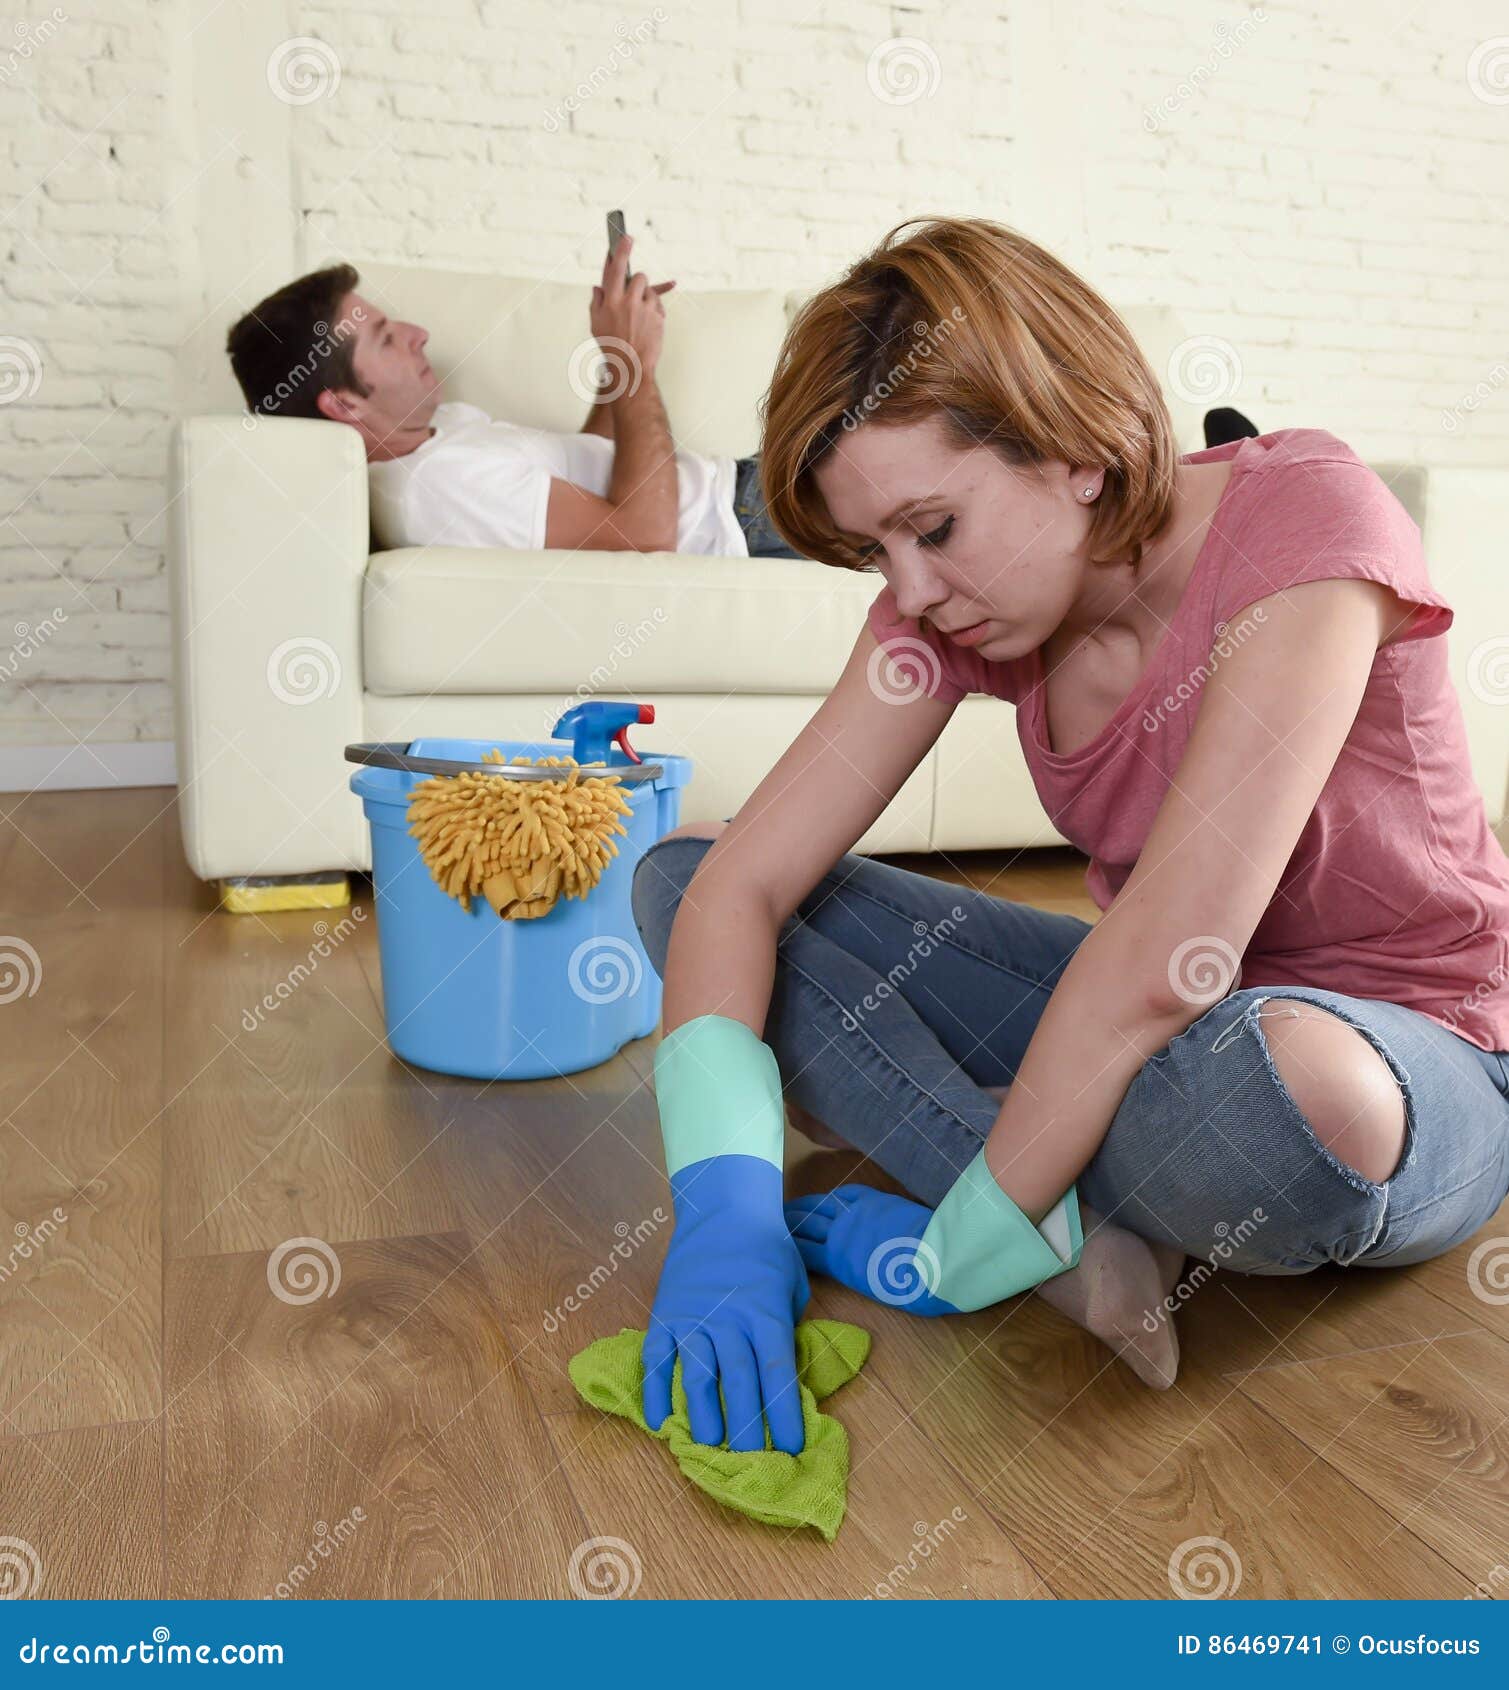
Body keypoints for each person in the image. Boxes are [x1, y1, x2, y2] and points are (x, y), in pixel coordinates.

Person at [628, 214, 1509, 1457]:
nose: (912, 589)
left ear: (1075, 448)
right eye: (878, 549)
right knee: (683, 878)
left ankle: (980, 1194)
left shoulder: (1306, 520)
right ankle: (1070, 1227)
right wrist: (720, 1214)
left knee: (1302, 1097)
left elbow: (1171, 949)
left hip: (1415, 1051)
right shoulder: (939, 618)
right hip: (1160, 1027)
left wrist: (962, 1248)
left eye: (933, 528)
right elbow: (742, 889)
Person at [223, 236, 804, 561]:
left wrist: (617, 360)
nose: (418, 335)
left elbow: (601, 468)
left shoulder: (436, 437)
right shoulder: (437, 485)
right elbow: (643, 537)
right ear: (345, 405)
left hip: (748, 491)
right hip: (748, 522)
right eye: (386, 338)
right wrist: (638, 364)